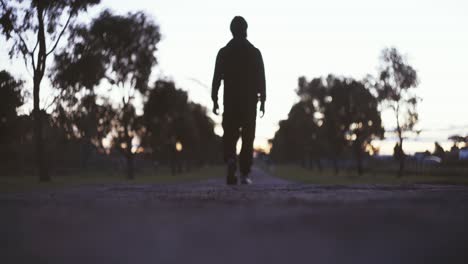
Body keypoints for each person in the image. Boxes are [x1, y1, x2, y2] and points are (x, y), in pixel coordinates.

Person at [212, 16, 266, 185]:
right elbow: (261, 78)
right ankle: (244, 172)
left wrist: (214, 98)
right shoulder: (254, 52)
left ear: (231, 31)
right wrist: (263, 99)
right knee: (248, 137)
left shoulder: (224, 52)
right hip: (249, 102)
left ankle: (230, 161)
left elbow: (216, 78)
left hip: (230, 101)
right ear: (246, 30)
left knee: (229, 134)